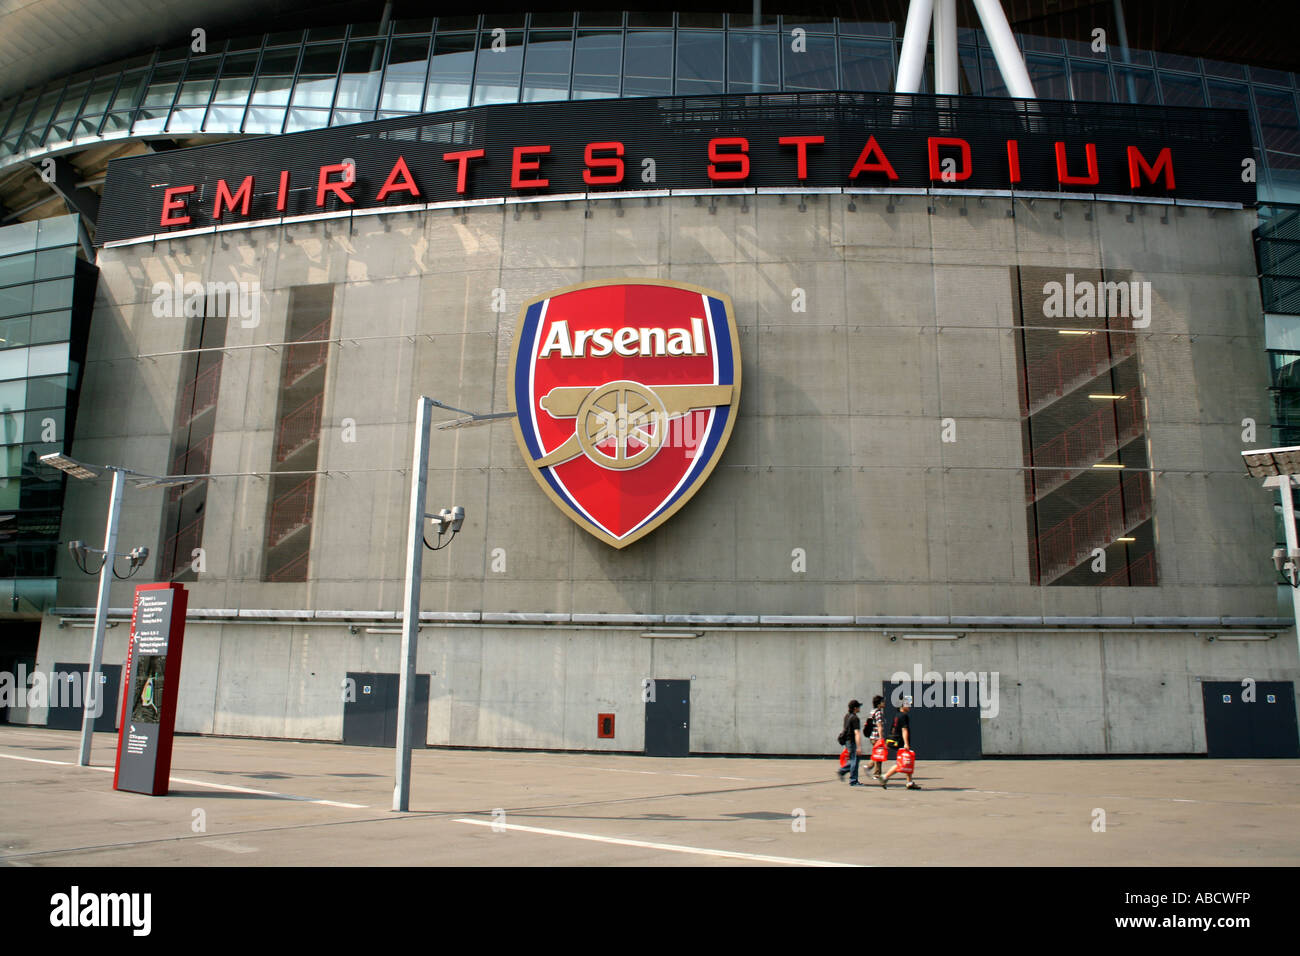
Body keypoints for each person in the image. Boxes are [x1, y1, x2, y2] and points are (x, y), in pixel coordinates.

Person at [880, 702, 920, 789]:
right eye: (907, 705)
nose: (909, 706)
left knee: (907, 760)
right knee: (902, 763)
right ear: (902, 706)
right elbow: (904, 730)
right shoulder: (903, 716)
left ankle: (909, 782)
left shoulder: (897, 715)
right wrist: (906, 743)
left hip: (897, 741)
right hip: (901, 742)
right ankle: (885, 777)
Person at [837, 699, 865, 786]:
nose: (860, 708)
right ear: (855, 708)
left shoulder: (847, 716)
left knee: (855, 759)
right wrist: (859, 747)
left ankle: (842, 771)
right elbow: (857, 733)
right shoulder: (855, 718)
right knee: (854, 760)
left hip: (847, 740)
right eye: (859, 707)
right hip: (852, 741)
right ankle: (853, 780)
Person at [866, 695, 886, 780]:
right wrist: (881, 739)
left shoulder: (872, 711)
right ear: (879, 704)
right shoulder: (878, 712)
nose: (884, 703)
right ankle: (877, 774)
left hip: (872, 736)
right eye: (882, 701)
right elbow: (879, 726)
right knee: (879, 755)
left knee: (876, 754)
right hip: (876, 737)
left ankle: (868, 767)